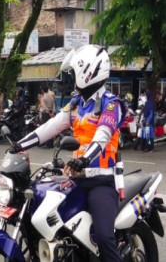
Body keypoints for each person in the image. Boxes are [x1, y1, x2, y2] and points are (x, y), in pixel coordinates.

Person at [11, 45, 124, 262]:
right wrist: (20, 144)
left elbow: (102, 136)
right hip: (76, 179)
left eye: (74, 73)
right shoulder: (75, 104)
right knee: (45, 215)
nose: (71, 78)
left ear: (88, 73)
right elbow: (51, 127)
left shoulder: (111, 104)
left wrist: (84, 159)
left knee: (104, 237)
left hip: (101, 181)